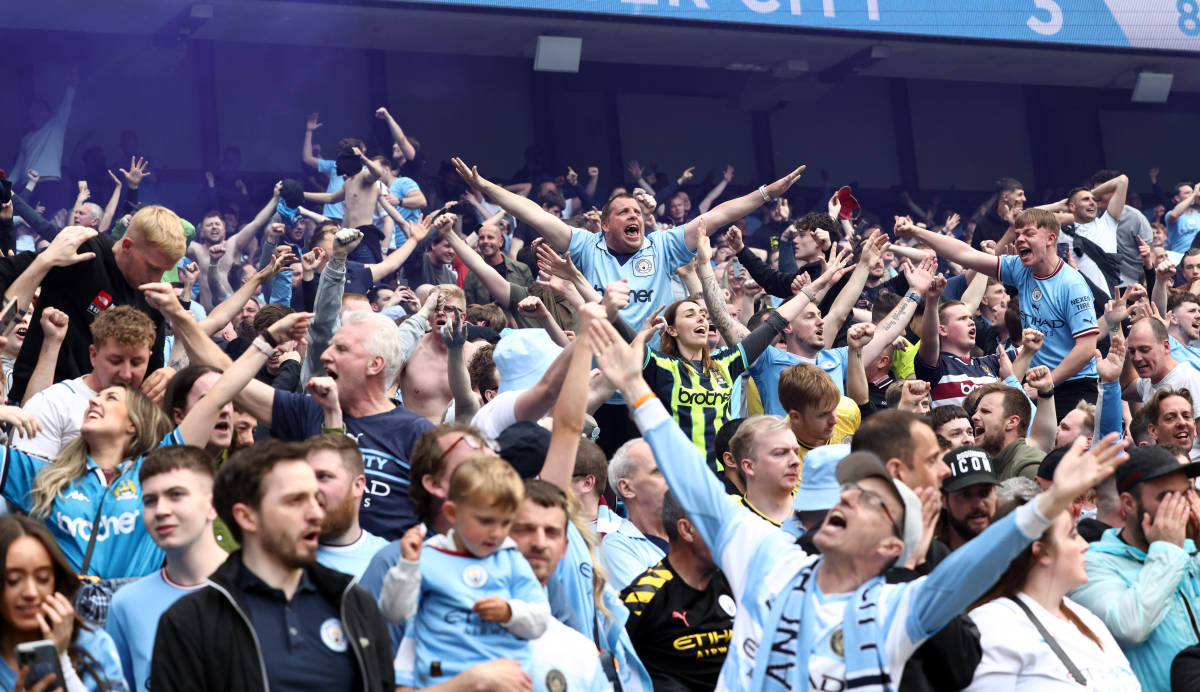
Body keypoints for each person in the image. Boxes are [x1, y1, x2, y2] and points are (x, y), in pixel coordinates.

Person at [586, 315, 1128, 692]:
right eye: (849, 490)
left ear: (890, 545)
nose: (847, 499)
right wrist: (636, 389)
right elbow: (692, 479)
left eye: (868, 498)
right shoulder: (767, 558)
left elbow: (969, 569)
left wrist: (1048, 505)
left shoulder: (897, 613)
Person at [154, 283, 433, 539]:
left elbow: (443, 526)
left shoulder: (417, 434)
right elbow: (229, 377)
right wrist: (178, 314)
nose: (325, 355)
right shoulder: (308, 410)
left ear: (375, 365)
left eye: (341, 348)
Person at [452, 156, 809, 329]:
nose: (635, 216)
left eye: (637, 212)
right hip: (599, 371)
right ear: (605, 224)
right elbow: (534, 214)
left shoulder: (663, 246)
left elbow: (717, 215)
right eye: (624, 212)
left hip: (651, 373)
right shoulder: (584, 245)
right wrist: (485, 188)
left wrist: (766, 193)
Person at [150, 439, 393, 692]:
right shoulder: (190, 622)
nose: (316, 514)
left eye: (316, 499)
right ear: (247, 517)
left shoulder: (353, 603)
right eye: (295, 501)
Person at [896, 210, 1100, 416]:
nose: (1020, 239)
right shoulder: (1021, 268)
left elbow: (1087, 348)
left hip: (1074, 386)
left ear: (1051, 238)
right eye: (1018, 233)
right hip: (1037, 385)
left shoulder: (1072, 283)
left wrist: (1048, 384)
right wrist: (914, 232)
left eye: (1028, 234)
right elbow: (964, 253)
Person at [379, 455, 549, 689]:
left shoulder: (511, 559)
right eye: (486, 521)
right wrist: (408, 565)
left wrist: (510, 612)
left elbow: (540, 619)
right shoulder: (429, 556)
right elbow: (395, 613)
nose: (497, 533)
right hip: (445, 680)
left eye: (506, 522)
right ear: (451, 512)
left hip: (507, 682)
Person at [0, 206, 187, 403]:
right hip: (36, 403)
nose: (156, 280)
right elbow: (7, 275)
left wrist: (167, 376)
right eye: (152, 267)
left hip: (103, 416)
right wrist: (45, 261)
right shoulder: (84, 252)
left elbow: (148, 377)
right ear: (127, 245)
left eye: (164, 271)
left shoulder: (153, 297)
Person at [965, 494, 1140, 691]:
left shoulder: (1085, 618)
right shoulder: (993, 624)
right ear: (1041, 552)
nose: (1085, 545)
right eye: (1072, 535)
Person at [1069, 445, 1200, 691]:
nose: (1181, 508)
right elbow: (1129, 626)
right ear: (1128, 504)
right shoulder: (1092, 564)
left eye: (1186, 494)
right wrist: (1167, 551)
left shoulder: (1191, 550)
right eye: (1167, 497)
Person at [105, 446, 229, 692]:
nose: (161, 511)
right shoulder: (125, 604)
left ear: (213, 505)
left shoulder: (254, 588)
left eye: (176, 495)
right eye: (150, 500)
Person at [621, 490, 734, 691]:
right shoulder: (644, 597)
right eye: (718, 524)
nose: (729, 534)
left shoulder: (735, 582)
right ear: (686, 529)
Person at [0, 515, 126, 692]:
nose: (30, 593)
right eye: (13, 580)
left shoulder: (94, 644)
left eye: (43, 579)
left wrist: (62, 660)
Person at [17, 305, 159, 460]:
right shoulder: (54, 402)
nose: (126, 374)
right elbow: (27, 478)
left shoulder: (150, 411)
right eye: (115, 361)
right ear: (93, 355)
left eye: (136, 363)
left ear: (149, 358)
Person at [305, 433, 389, 580]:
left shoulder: (389, 561)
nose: (311, 487)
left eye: (323, 476)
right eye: (305, 478)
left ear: (358, 486)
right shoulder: (281, 555)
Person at [602, 439, 669, 590]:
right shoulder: (617, 546)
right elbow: (651, 608)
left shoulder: (692, 532)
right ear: (627, 488)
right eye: (659, 471)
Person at [728, 415, 801, 530]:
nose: (795, 461)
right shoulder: (729, 519)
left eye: (796, 452)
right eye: (780, 453)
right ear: (749, 466)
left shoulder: (819, 510)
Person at [970, 382, 1045, 480]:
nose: (974, 417)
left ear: (1011, 422)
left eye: (985, 411)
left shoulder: (1030, 467)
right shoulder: (980, 465)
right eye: (976, 412)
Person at [939, 446, 999, 551]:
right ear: (943, 499)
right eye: (965, 494)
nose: (978, 504)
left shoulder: (1015, 555)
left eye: (985, 492)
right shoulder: (929, 561)